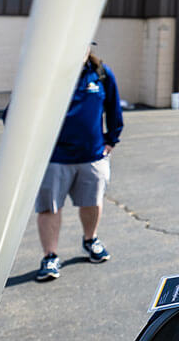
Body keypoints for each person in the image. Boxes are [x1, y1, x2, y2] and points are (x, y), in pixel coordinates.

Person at [32, 46, 123, 281]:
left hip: (92, 156)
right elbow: (17, 112)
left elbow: (113, 108)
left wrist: (111, 139)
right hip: (54, 158)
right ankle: (50, 256)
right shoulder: (46, 74)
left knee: (92, 202)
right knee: (49, 208)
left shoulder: (101, 73)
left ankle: (90, 240)